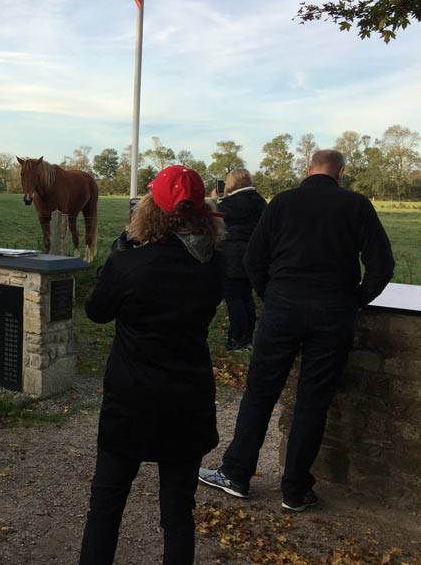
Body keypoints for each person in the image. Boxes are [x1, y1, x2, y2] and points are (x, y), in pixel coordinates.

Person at [199, 149, 395, 512]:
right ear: (341, 172)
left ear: (308, 170)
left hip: (282, 307)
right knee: (313, 400)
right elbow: (382, 266)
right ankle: (295, 488)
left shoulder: (283, 203)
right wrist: (353, 300)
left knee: (260, 391)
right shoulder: (356, 205)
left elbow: (253, 258)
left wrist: (270, 294)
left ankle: (237, 474)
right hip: (333, 313)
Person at [79, 165, 225, 565]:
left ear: (149, 209)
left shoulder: (131, 266)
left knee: (106, 506)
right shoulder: (214, 266)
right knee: (178, 514)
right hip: (188, 399)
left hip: (132, 400)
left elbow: (96, 312)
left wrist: (120, 252)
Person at [212, 169, 267, 351]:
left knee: (234, 298)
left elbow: (213, 224)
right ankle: (248, 338)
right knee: (246, 296)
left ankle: (237, 339)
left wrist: (213, 201)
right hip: (254, 255)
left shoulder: (228, 205)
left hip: (232, 255)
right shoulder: (260, 202)